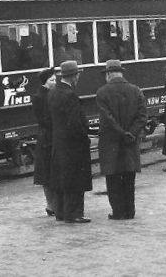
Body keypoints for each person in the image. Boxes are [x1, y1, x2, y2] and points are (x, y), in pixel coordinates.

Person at [96, 59, 147, 220]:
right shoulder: (136, 90)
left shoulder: (102, 92)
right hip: (130, 142)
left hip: (111, 142)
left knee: (113, 178)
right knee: (129, 178)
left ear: (109, 74)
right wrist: (131, 133)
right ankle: (130, 211)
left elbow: (107, 118)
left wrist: (121, 133)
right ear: (121, 73)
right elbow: (142, 116)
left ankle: (118, 212)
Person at [47, 61, 92, 223]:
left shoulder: (53, 93)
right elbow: (75, 122)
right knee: (75, 179)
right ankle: (74, 214)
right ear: (74, 76)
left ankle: (60, 212)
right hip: (73, 145)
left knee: (61, 178)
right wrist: (85, 137)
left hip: (58, 143)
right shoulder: (70, 95)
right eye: (77, 75)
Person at [32, 67, 56, 217]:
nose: (55, 82)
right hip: (48, 137)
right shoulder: (40, 97)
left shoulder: (49, 94)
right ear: (45, 82)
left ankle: (52, 205)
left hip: (47, 136)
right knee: (48, 173)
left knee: (48, 173)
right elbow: (44, 119)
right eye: (52, 80)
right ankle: (51, 205)